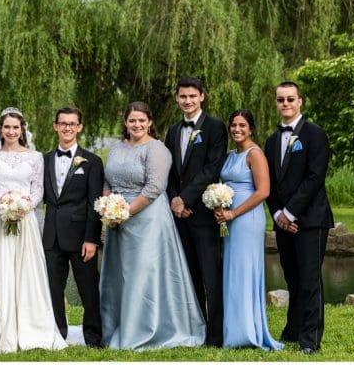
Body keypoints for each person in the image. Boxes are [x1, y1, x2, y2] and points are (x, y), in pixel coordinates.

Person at [0, 107, 67, 353]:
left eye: (16, 127)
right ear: (0, 129)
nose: (11, 131)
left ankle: (30, 327)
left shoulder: (35, 157)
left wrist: (23, 207)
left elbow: (38, 190)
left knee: (26, 272)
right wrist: (4, 208)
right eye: (7, 127)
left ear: (22, 129)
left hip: (25, 221)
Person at [99, 101, 205, 350]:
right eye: (132, 120)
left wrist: (125, 212)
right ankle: (118, 326)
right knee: (119, 276)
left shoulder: (157, 149)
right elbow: (107, 180)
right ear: (125, 122)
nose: (137, 124)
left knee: (143, 275)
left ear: (149, 122)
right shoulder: (116, 148)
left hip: (147, 220)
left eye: (141, 120)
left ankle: (147, 330)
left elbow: (155, 187)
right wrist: (107, 208)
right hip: (117, 222)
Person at [264, 81, 334, 354]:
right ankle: (292, 330)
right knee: (292, 277)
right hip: (283, 221)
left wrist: (291, 212)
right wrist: (279, 214)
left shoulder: (315, 134)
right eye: (280, 100)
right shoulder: (271, 141)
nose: (285, 104)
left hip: (311, 220)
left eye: (290, 99)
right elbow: (269, 182)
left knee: (309, 279)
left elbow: (315, 178)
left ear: (300, 101)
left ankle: (310, 340)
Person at [164, 75, 228, 347]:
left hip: (203, 214)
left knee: (211, 276)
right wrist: (174, 200)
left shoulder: (215, 128)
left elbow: (211, 168)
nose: (187, 101)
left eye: (192, 96)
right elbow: (168, 170)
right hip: (179, 216)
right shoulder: (173, 130)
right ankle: (197, 328)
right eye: (182, 96)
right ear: (177, 98)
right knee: (189, 275)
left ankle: (215, 335)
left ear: (202, 96)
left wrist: (186, 200)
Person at [214, 110, 283, 351]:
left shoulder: (255, 154)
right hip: (228, 220)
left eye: (242, 125)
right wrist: (219, 204)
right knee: (231, 271)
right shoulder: (231, 154)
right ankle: (232, 331)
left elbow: (263, 192)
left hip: (247, 220)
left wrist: (233, 212)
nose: (236, 129)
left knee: (244, 271)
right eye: (233, 125)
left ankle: (247, 332)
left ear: (251, 128)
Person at [42, 106, 104, 347]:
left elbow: (95, 204)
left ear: (79, 127)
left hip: (81, 237)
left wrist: (92, 239)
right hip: (51, 236)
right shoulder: (44, 160)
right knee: (53, 289)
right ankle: (59, 333)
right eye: (63, 123)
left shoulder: (92, 162)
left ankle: (94, 337)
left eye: (72, 124)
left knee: (88, 289)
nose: (67, 127)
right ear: (56, 126)